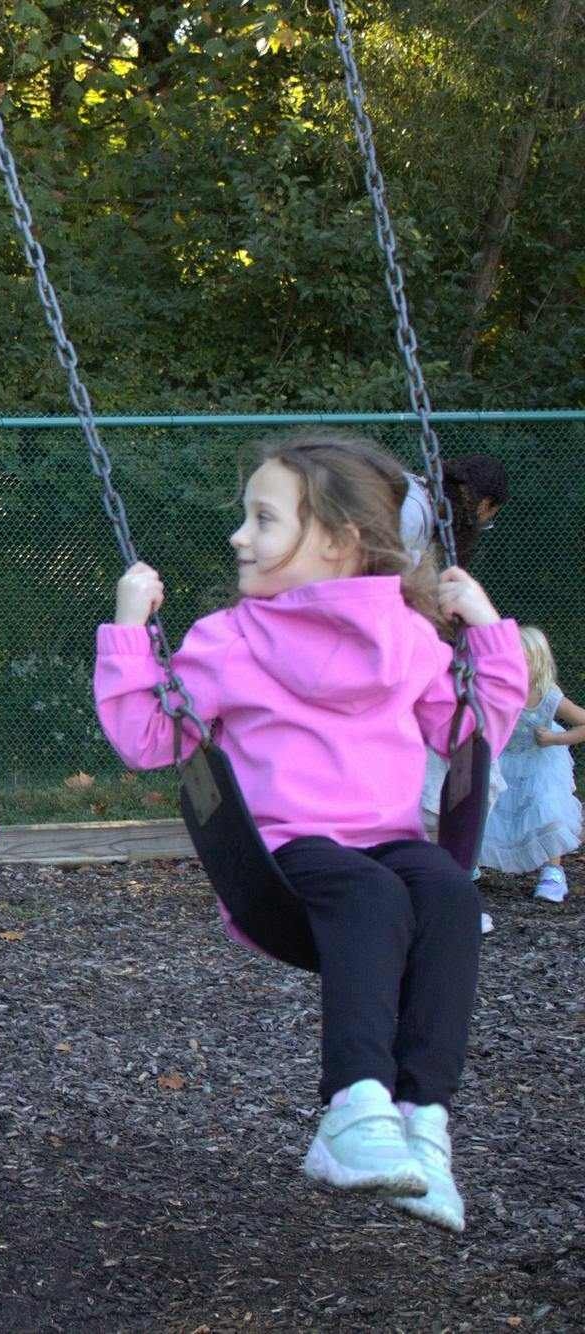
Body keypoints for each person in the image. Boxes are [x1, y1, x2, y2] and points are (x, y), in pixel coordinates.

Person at [95, 429, 526, 1234]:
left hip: (388, 837)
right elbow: (150, 738)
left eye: (263, 519)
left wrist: (486, 627)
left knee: (444, 891)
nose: (239, 536)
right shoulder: (230, 637)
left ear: (336, 543)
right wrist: (128, 629)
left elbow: (473, 729)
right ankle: (353, 1112)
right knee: (368, 892)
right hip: (285, 857)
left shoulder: (408, 635)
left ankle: (421, 1122)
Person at [401, 454, 512, 933]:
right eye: (491, 513)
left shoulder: (424, 508)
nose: (487, 523)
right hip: (384, 643)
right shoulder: (413, 509)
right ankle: (437, 893)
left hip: (405, 647)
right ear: (482, 502)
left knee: (467, 766)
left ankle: (444, 888)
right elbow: (391, 588)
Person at [480, 626, 583, 904]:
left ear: (538, 663)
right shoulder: (496, 693)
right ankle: (470, 865)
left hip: (542, 763)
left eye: (522, 661)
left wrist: (555, 739)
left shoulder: (549, 696)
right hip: (504, 761)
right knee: (489, 810)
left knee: (548, 808)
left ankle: (553, 871)